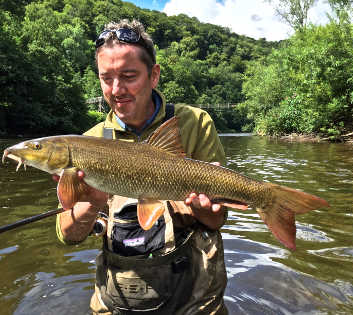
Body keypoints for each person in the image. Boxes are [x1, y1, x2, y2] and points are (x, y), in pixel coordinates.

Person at [56, 19, 228, 315]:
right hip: (119, 293)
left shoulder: (194, 123)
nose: (116, 89)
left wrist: (202, 210)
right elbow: (67, 235)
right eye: (106, 78)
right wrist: (90, 206)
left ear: (154, 75)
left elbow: (217, 221)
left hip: (195, 292)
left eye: (129, 76)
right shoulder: (88, 142)